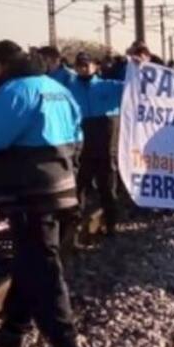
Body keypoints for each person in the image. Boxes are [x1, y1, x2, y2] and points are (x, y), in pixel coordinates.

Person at [0, 39, 88, 347]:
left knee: (42, 265)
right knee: (29, 260)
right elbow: (78, 136)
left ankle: (66, 343)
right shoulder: (56, 88)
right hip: (62, 185)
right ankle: (13, 330)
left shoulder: (13, 92)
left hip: (30, 192)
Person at [66, 52, 125, 238]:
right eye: (80, 65)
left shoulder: (110, 86)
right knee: (79, 185)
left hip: (106, 142)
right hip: (82, 142)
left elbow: (137, 87)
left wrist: (138, 67)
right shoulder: (69, 90)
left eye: (87, 65)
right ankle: (74, 226)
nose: (84, 68)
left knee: (107, 185)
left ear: (95, 66)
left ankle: (111, 224)